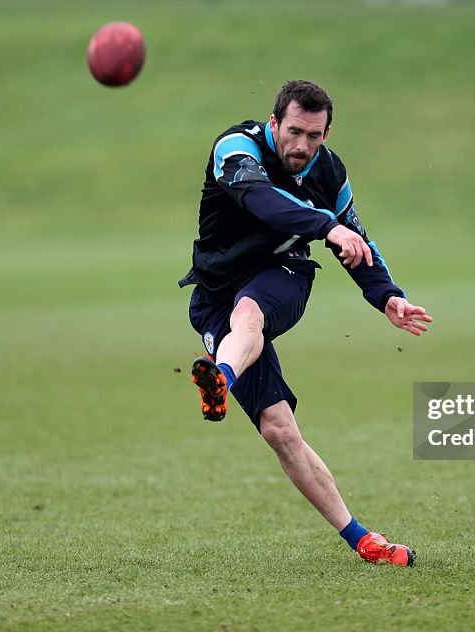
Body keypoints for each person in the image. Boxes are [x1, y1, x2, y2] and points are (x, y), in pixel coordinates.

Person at [179, 80, 432, 566]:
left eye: (314, 136)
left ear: (326, 132)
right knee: (278, 429)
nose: (302, 147)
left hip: (282, 275)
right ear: (274, 123)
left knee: (248, 313)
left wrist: (387, 297)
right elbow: (261, 200)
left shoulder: (329, 171)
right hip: (212, 294)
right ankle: (364, 541)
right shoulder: (236, 148)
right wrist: (324, 225)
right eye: (294, 132)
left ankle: (220, 377)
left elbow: (356, 238)